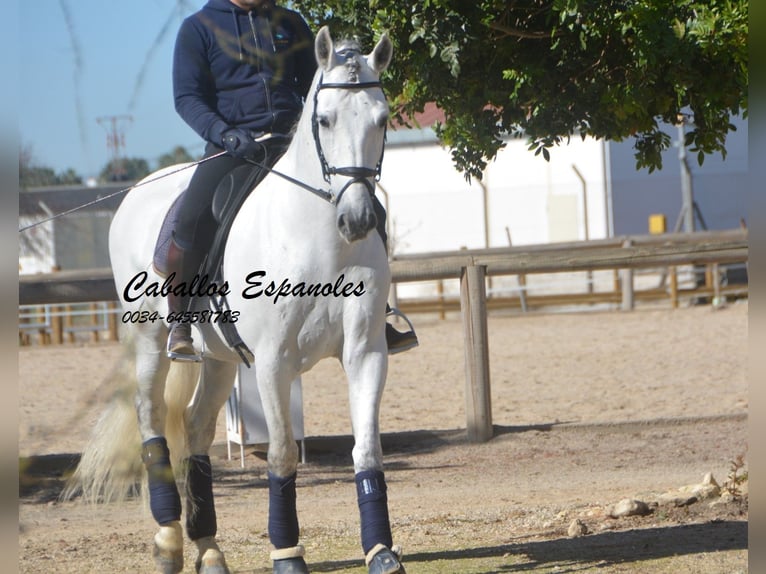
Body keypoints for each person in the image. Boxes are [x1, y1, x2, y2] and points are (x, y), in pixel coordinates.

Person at [167, 0, 418, 360]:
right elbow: (187, 98)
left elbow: (315, 85)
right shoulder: (199, 27)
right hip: (234, 146)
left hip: (292, 142)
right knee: (190, 219)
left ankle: (379, 313)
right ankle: (181, 323)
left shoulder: (290, 23)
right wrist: (224, 133)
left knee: (372, 210)